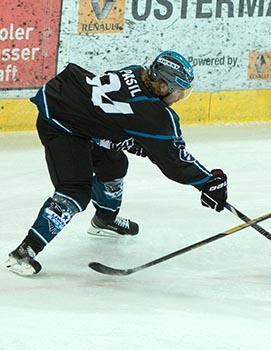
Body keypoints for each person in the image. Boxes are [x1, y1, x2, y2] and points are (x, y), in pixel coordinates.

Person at [3, 50, 228, 276]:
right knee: (75, 191)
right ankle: (23, 253)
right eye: (179, 91)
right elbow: (174, 162)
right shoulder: (153, 114)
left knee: (114, 164)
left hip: (79, 114)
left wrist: (138, 143)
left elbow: (115, 116)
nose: (180, 97)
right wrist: (208, 182)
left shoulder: (136, 73)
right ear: (161, 86)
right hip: (61, 124)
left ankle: (104, 220)